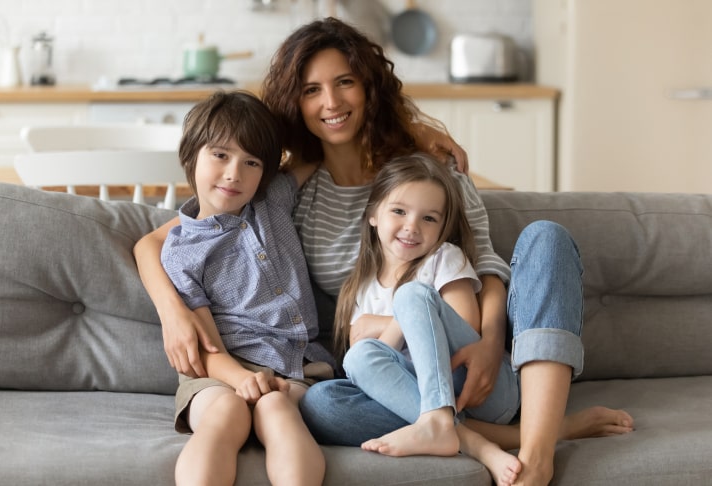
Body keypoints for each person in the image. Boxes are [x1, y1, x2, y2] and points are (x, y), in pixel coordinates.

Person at [133, 18, 634, 486]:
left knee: (545, 237)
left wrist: (487, 339)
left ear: (370, 87)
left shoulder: (426, 174)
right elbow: (174, 238)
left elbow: (483, 260)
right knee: (323, 403)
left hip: (470, 353)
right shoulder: (287, 191)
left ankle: (539, 450)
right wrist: (173, 312)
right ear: (295, 104)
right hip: (397, 379)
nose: (331, 101)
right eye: (311, 90)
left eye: (345, 82)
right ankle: (480, 435)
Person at [157, 90, 335, 486]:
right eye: (220, 155)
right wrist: (240, 380)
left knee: (276, 409)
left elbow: (320, 148)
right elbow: (205, 347)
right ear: (191, 156)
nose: (234, 173)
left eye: (251, 162)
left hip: (294, 369)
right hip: (219, 374)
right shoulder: (180, 252)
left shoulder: (273, 200)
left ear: (266, 172)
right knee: (227, 414)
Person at [334, 153, 521, 486]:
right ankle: (456, 433)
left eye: (429, 218)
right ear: (373, 214)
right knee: (347, 370)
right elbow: (366, 362)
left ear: (443, 227)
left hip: (479, 386)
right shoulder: (359, 286)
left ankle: (439, 421)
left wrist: (384, 324)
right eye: (399, 211)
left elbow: (467, 326)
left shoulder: (442, 259)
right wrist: (393, 329)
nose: (412, 227)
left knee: (412, 295)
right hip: (414, 394)